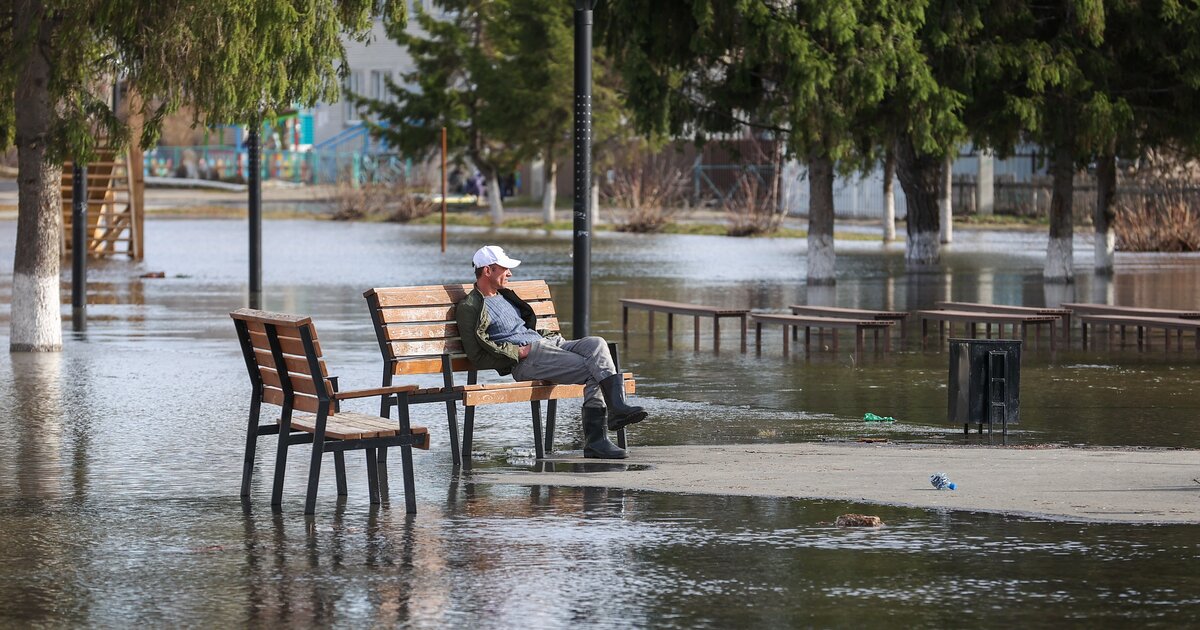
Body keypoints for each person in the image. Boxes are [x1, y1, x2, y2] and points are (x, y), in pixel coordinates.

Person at [455, 245, 647, 459]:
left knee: (597, 344)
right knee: (596, 369)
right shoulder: (470, 306)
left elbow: (525, 329)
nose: (510, 273)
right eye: (504, 269)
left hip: (546, 344)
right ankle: (598, 438)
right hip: (528, 360)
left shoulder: (505, 296)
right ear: (488, 271)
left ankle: (616, 411)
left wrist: (546, 337)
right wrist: (517, 353)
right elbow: (476, 355)